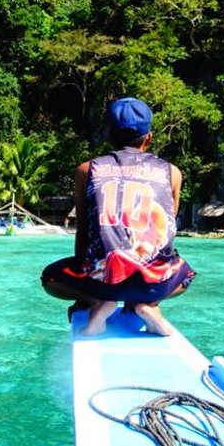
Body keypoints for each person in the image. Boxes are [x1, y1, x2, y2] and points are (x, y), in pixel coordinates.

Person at [41, 97, 195, 336]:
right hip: (155, 284)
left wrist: (89, 292)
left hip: (102, 281)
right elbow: (166, 235)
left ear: (109, 136)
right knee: (186, 274)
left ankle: (97, 302)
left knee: (49, 278)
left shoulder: (87, 170)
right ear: (149, 137)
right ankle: (147, 306)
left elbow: (84, 233)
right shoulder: (171, 172)